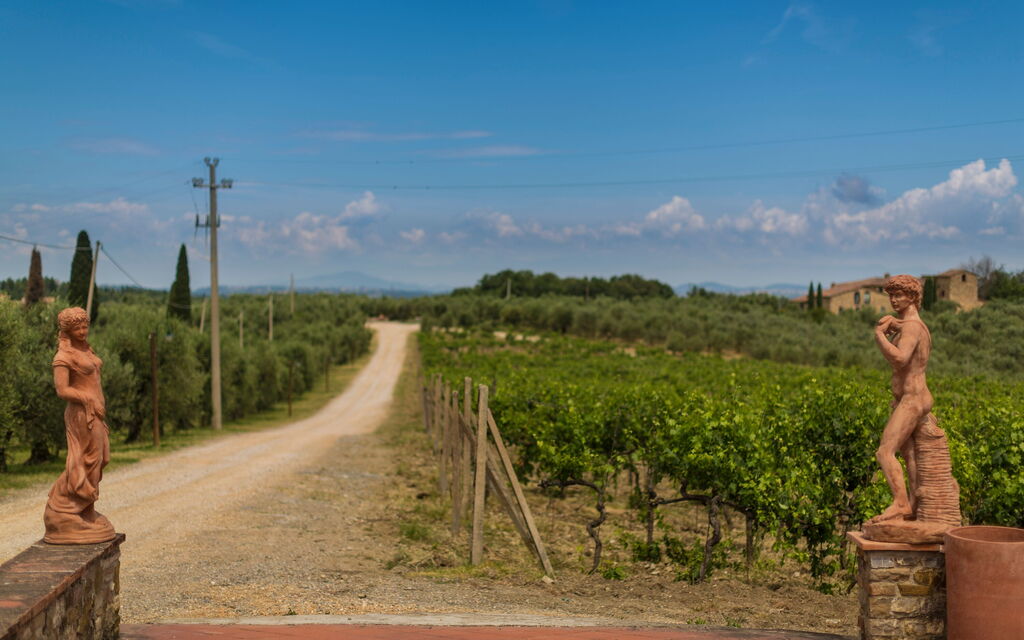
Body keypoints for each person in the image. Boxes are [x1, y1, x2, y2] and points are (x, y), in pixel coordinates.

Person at [43, 306, 116, 544]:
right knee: (88, 460)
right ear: (68, 330)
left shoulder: (86, 349)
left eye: (85, 326)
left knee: (101, 458)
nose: (83, 331)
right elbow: (62, 390)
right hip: (82, 414)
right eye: (78, 328)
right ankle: (62, 507)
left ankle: (86, 510)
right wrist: (87, 399)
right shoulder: (63, 357)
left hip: (96, 414)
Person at [867, 275, 932, 525]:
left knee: (885, 451)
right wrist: (895, 323)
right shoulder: (909, 324)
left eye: (899, 295)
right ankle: (914, 506)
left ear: (913, 297)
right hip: (909, 396)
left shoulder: (913, 327)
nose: (894, 300)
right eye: (891, 295)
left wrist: (880, 337)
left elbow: (901, 358)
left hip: (913, 398)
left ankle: (901, 503)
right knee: (909, 454)